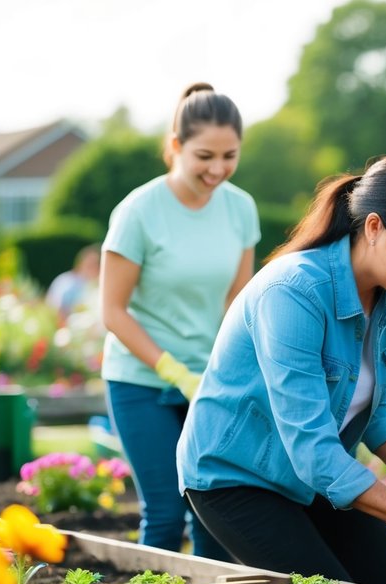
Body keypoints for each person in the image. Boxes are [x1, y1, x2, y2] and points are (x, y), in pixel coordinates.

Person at [177, 153, 386, 584]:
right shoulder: (293, 292)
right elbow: (311, 449)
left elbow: (374, 409)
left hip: (320, 476)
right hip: (237, 478)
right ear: (374, 227)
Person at [101, 83, 259, 558]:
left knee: (213, 509)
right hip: (140, 382)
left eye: (229, 156)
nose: (217, 169)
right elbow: (112, 311)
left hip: (210, 382)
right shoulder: (139, 211)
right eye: (204, 156)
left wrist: (229, 373)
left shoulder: (240, 208)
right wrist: (171, 370)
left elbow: (238, 300)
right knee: (166, 511)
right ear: (175, 146)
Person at [46, 243, 101, 322]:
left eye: (96, 265)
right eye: (90, 265)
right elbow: (57, 308)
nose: (94, 268)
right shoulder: (66, 281)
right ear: (80, 263)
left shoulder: (93, 285)